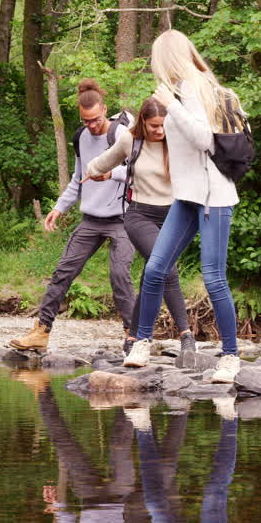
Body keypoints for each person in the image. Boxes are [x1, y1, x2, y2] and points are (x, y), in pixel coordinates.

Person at [123, 29, 244, 386]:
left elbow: (206, 140)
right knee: (156, 267)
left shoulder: (197, 89)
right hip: (187, 197)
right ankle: (142, 342)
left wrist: (173, 105)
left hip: (214, 197)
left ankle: (231, 356)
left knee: (214, 277)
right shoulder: (177, 91)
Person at [10, 79, 137, 352]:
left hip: (122, 220)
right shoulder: (80, 136)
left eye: (95, 119)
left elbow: (141, 173)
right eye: (85, 120)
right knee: (62, 273)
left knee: (119, 275)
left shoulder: (122, 134)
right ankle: (41, 332)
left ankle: (133, 336)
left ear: (104, 109)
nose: (91, 125)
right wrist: (58, 208)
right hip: (91, 219)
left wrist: (110, 172)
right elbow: (78, 179)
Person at [85, 96, 194, 354]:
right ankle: (186, 335)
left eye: (164, 125)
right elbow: (100, 163)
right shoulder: (129, 140)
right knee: (165, 268)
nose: (159, 130)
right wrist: (95, 171)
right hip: (139, 215)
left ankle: (133, 336)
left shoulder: (179, 142)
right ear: (143, 122)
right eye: (154, 125)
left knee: (152, 273)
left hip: (173, 216)